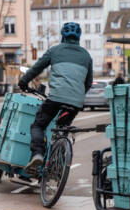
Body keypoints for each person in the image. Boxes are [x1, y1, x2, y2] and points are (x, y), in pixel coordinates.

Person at [18, 22, 93, 174]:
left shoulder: (54, 51)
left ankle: (37, 154)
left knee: (38, 126)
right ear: (79, 37)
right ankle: (57, 167)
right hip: (76, 102)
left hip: (56, 98)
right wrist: (77, 96)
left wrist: (24, 81)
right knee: (62, 130)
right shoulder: (87, 56)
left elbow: (36, 68)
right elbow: (89, 82)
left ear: (62, 35)